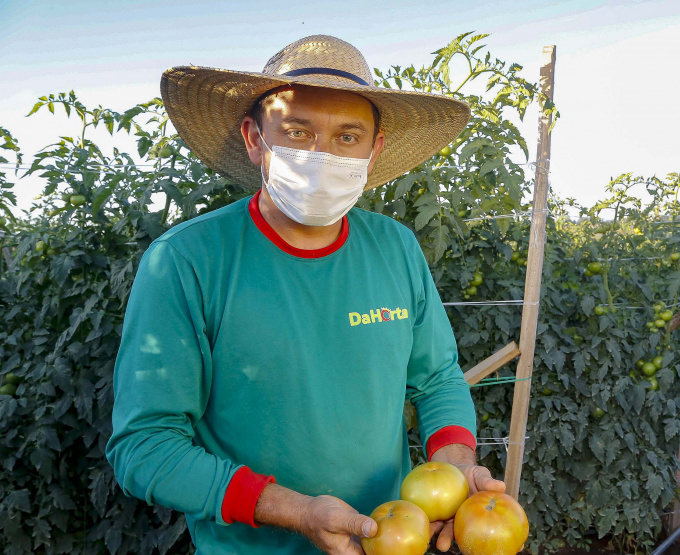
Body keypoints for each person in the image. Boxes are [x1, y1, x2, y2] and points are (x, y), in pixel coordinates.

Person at [106, 35, 504, 555]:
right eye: (297, 131)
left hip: (392, 539)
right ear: (255, 138)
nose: (322, 154)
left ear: (374, 149)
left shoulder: (395, 247)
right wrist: (295, 511)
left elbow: (436, 378)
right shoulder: (188, 260)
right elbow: (146, 445)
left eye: (347, 136)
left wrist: (454, 460)